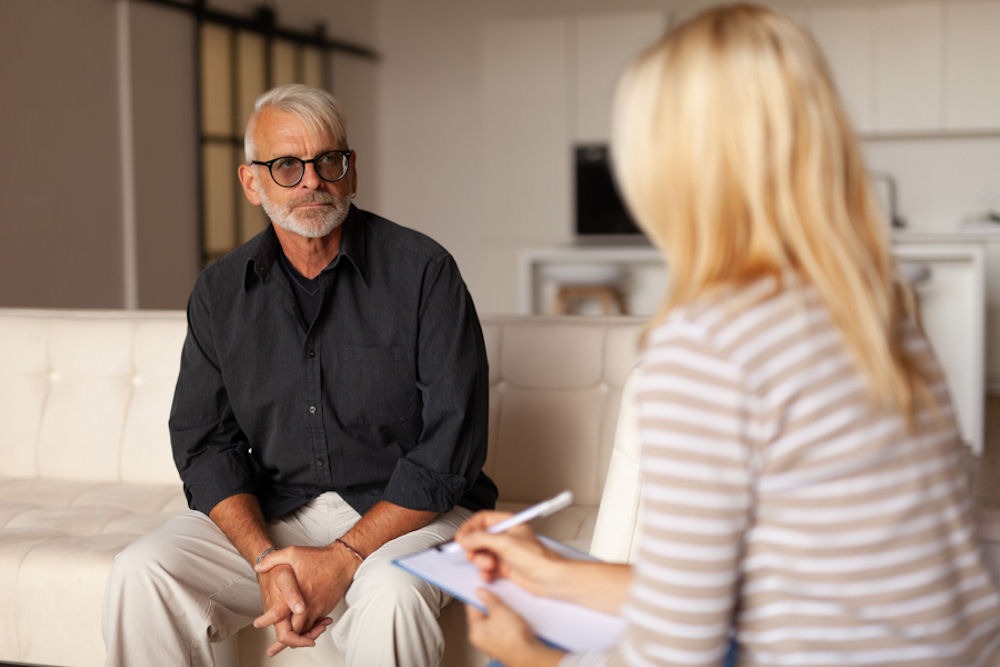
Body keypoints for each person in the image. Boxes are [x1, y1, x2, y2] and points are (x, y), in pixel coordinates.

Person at [455, 5, 1000, 666]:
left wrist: (528, 657)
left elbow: (676, 652)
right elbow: (758, 584)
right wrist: (550, 569)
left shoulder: (709, 346)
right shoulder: (877, 314)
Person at [101, 83, 497, 666]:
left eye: (327, 161)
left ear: (350, 170)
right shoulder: (220, 292)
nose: (311, 181)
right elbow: (207, 444)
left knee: (390, 593)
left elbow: (450, 449)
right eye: (286, 164)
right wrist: (265, 560)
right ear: (251, 182)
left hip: (413, 514)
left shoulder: (424, 273)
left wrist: (343, 558)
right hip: (279, 509)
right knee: (143, 571)